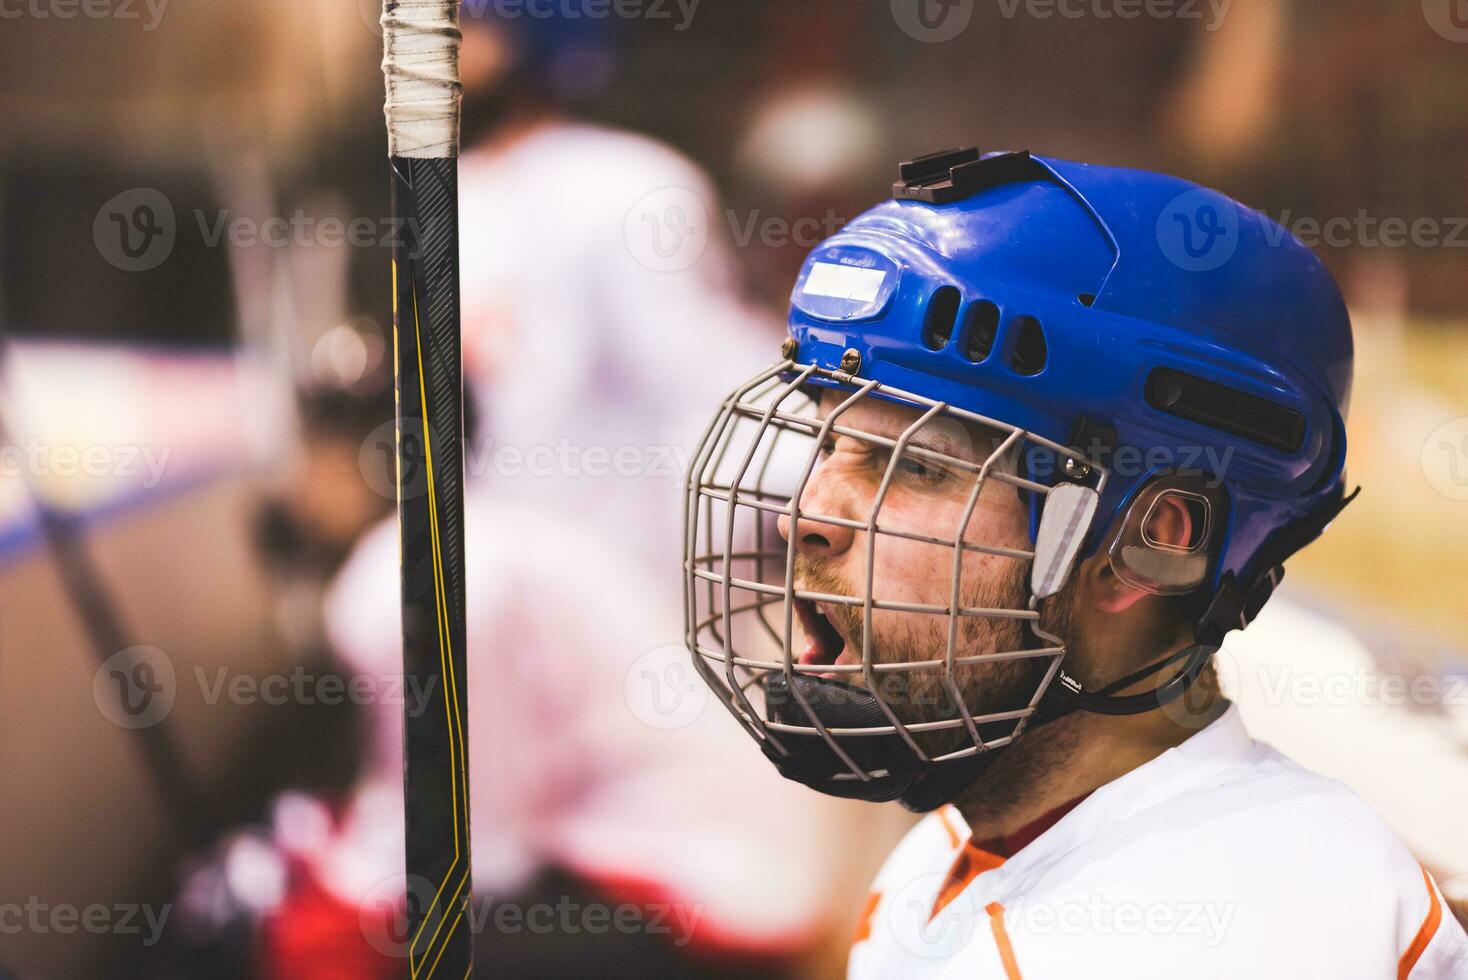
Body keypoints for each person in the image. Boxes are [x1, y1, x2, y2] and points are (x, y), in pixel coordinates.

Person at [682, 146, 1468, 977]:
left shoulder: (1217, 938)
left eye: (914, 466)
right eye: (832, 443)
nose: (808, 515)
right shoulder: (959, 851)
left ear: (1149, 545)